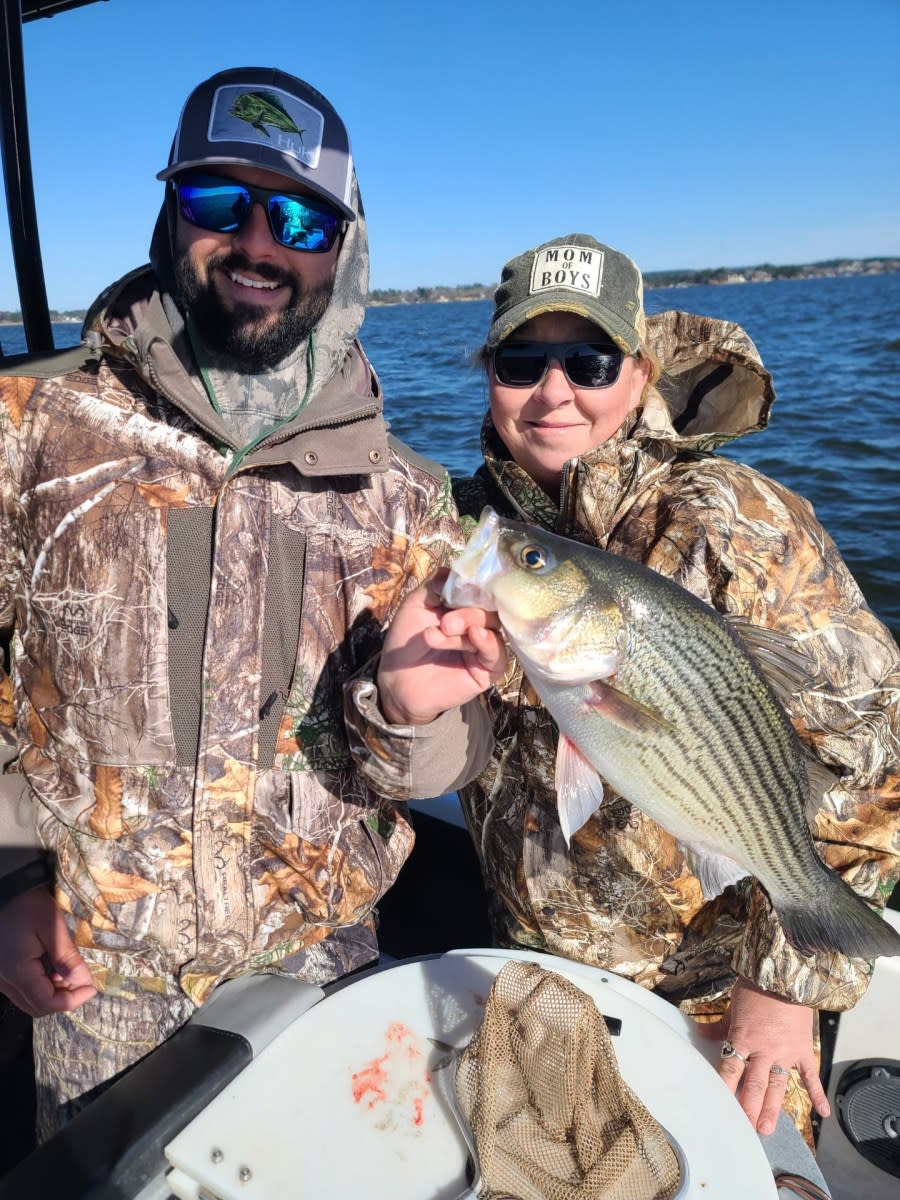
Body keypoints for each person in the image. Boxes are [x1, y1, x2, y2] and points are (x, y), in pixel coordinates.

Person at [0, 66, 504, 1140]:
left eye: (303, 219)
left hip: (327, 973)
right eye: (219, 203)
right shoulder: (27, 431)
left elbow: (436, 764)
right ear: (168, 215)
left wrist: (407, 712)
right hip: (93, 982)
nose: (260, 244)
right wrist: (6, 887)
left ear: (343, 244)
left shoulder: (410, 498)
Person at [448, 233, 900, 1143]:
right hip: (532, 980)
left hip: (712, 1010)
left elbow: (880, 762)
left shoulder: (741, 525)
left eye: (588, 359)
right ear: (488, 371)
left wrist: (782, 991)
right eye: (522, 360)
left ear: (640, 371)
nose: (554, 391)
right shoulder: (467, 533)